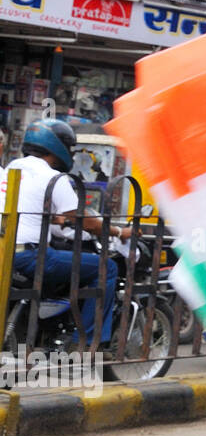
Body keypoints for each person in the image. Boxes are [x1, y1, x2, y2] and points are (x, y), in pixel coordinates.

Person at [9, 119, 129, 349]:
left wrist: (57, 219)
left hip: (7, 251)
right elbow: (86, 222)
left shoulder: (11, 169)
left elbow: (41, 214)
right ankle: (84, 343)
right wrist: (118, 231)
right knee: (106, 267)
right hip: (28, 257)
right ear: (58, 147)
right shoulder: (53, 178)